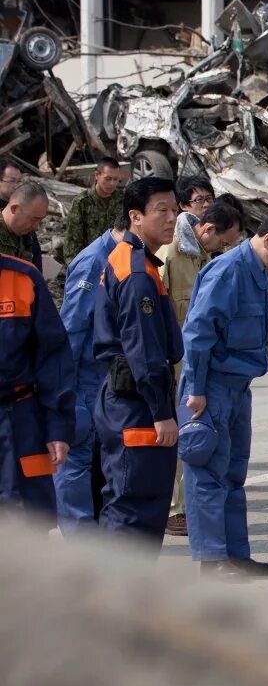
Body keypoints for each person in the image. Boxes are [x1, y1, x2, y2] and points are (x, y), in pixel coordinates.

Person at [179, 211, 268, 577]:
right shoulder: (229, 271)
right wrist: (196, 390)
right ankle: (213, 561)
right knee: (207, 473)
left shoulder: (259, 273)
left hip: (238, 388)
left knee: (233, 473)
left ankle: (236, 555)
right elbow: (198, 334)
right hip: (211, 387)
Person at [92, 177, 183, 545]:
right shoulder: (137, 274)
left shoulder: (135, 262)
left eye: (174, 210)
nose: (172, 218)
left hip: (125, 399)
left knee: (125, 501)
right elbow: (144, 351)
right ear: (135, 216)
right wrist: (161, 411)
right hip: (137, 405)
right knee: (136, 508)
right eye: (161, 210)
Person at [157, 204, 243, 537]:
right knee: (181, 437)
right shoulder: (169, 257)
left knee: (198, 437)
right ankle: (175, 510)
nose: (223, 250)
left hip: (198, 363)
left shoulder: (202, 258)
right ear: (207, 230)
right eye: (222, 242)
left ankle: (188, 505)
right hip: (172, 366)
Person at [54, 220, 124, 534]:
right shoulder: (94, 261)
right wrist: (62, 387)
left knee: (99, 460)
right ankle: (80, 542)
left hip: (103, 377)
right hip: (81, 378)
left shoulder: (122, 259)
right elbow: (71, 328)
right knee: (75, 461)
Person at [0, 253, 74, 522]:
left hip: (19, 419)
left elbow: (53, 359)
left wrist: (58, 427)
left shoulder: (24, 278)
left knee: (28, 522)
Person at [64, 157, 123, 263]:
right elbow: (72, 241)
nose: (112, 184)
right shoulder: (82, 202)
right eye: (108, 179)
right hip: (90, 261)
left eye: (116, 179)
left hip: (117, 261)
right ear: (97, 175)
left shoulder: (122, 200)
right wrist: (76, 268)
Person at [0, 182, 48, 271]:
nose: (36, 227)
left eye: (40, 220)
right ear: (15, 209)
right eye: (33, 219)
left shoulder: (27, 235)